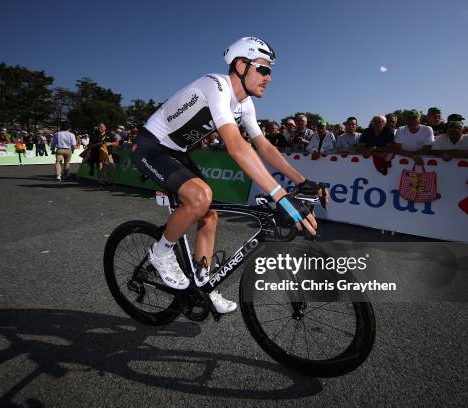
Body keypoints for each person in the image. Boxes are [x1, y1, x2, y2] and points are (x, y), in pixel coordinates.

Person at [131, 37, 325, 314]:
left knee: (209, 216)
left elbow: (264, 146)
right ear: (241, 65)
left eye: (270, 71)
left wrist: (301, 180)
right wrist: (280, 197)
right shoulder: (216, 85)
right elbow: (236, 146)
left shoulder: (244, 104)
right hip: (151, 147)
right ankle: (160, 253)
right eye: (264, 69)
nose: (269, 77)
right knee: (200, 198)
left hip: (177, 152)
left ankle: (203, 284)